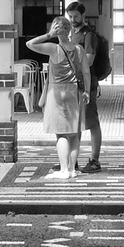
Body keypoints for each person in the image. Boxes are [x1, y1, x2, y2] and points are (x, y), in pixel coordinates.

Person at [26, 16, 90, 180]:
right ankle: (72, 169)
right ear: (69, 30)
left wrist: (48, 35)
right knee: (74, 133)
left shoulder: (53, 49)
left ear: (56, 31)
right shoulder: (78, 49)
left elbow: (30, 44)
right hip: (75, 92)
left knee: (61, 134)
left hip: (57, 94)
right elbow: (86, 72)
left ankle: (63, 170)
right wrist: (87, 91)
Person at [65, 1, 104, 173]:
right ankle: (72, 160)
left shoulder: (89, 35)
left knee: (91, 122)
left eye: (75, 16)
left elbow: (89, 60)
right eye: (70, 16)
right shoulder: (71, 33)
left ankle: (95, 160)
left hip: (87, 84)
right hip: (73, 83)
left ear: (83, 15)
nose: (72, 20)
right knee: (76, 122)